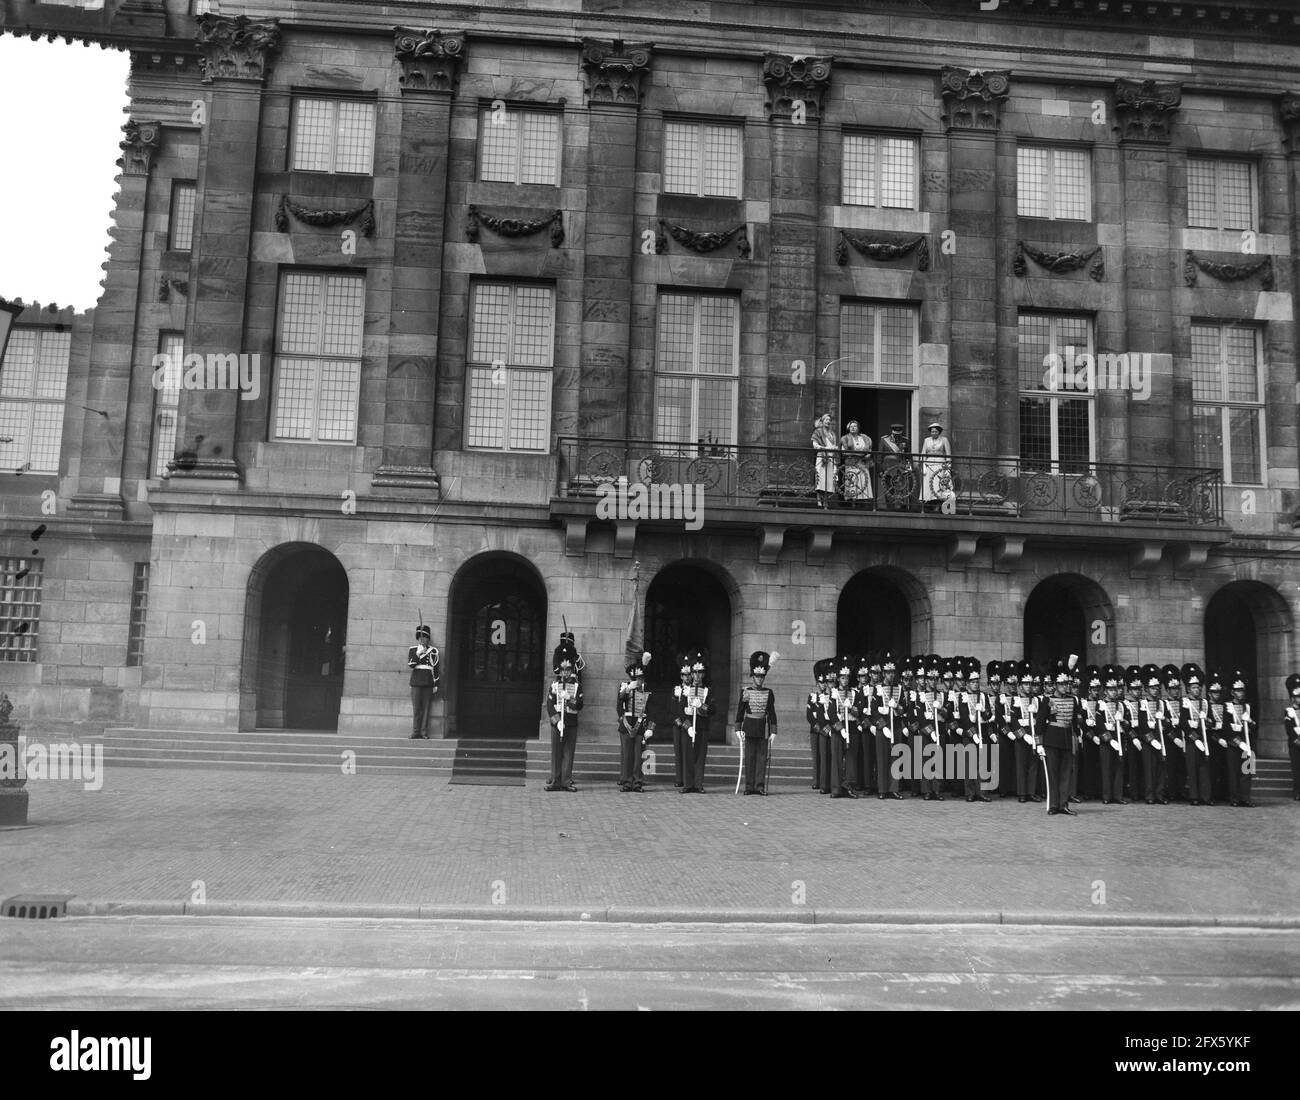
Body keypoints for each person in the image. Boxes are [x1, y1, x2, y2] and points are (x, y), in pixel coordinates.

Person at [544, 638, 584, 792]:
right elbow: (549, 705)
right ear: (560, 670)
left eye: (568, 669)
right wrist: (556, 721)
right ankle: (555, 781)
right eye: (563, 670)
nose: (566, 672)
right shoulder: (554, 685)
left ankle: (566, 781)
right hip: (558, 724)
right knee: (556, 753)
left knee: (568, 753)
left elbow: (580, 704)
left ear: (571, 670)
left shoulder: (577, 686)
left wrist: (570, 699)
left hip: (571, 723)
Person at [736, 651, 778, 795]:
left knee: (761, 758)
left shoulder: (769, 692)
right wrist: (737, 728)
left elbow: (772, 712)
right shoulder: (745, 691)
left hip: (762, 728)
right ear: (752, 677)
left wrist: (773, 731)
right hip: (749, 726)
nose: (760, 679)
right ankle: (749, 786)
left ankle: (759, 786)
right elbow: (740, 711)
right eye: (757, 676)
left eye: (762, 676)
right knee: (750, 757)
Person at [617, 653, 655, 792]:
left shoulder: (647, 691)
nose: (639, 681)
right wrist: (627, 690)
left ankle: (638, 782)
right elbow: (620, 703)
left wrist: (651, 727)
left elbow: (652, 710)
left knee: (639, 756)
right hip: (627, 724)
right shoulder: (624, 687)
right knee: (627, 756)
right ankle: (627, 782)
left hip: (641, 726)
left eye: (640, 678)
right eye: (636, 678)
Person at [1042, 662, 1077, 815]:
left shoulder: (1073, 700)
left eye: (1067, 684)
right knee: (1053, 774)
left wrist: (1077, 739)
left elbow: (1074, 722)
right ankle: (1053, 805)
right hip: (1052, 740)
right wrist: (1039, 743)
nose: (1065, 686)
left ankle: (1063, 804)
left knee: (1065, 774)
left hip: (1067, 740)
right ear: (1055, 685)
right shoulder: (1047, 700)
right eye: (1062, 684)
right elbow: (1039, 723)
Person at [679, 652, 715, 793]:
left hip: (702, 727)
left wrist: (702, 706)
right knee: (687, 756)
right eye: (695, 673)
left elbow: (713, 710)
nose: (697, 676)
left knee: (700, 756)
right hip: (688, 728)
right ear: (692, 674)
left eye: (700, 673)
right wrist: (687, 726)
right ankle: (688, 784)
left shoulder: (707, 691)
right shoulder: (685, 690)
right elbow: (679, 711)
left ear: (703, 675)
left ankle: (698, 784)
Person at [1178, 663, 1214, 806]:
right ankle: (1194, 796)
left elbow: (1211, 722)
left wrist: (1208, 720)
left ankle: (1206, 796)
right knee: (1192, 769)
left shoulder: (1205, 702)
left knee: (1204, 769)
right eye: (1193, 687)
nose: (1197, 689)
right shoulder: (1185, 703)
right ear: (1188, 689)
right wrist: (1194, 737)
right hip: (1192, 741)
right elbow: (1183, 723)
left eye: (1198, 687)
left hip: (1204, 739)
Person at [825, 657, 859, 798]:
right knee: (837, 759)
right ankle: (836, 788)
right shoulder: (833, 693)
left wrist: (851, 708)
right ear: (838, 679)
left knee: (851, 759)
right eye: (842, 678)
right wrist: (840, 729)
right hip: (838, 730)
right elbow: (831, 713)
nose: (845, 680)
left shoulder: (854, 693)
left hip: (851, 727)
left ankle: (849, 786)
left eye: (847, 678)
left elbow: (859, 711)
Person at [1222, 671, 1256, 808]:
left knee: (1247, 771)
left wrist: (1251, 722)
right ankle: (1234, 798)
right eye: (1238, 690)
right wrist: (1239, 742)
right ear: (1232, 692)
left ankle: (1245, 798)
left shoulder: (1247, 707)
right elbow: (1226, 728)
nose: (1241, 693)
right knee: (1234, 772)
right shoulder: (1227, 707)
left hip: (1247, 743)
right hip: (1234, 743)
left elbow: (1254, 726)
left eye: (1242, 690)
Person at [872, 653, 904, 800]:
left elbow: (905, 709)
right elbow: (873, 711)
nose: (891, 675)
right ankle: (882, 789)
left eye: (893, 672)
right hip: (882, 728)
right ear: (884, 673)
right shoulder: (877, 689)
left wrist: (897, 706)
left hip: (896, 726)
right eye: (888, 672)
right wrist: (883, 726)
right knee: (882, 759)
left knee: (895, 759)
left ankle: (894, 788)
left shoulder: (899, 688)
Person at [1097, 665, 1128, 804]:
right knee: (1106, 768)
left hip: (1119, 737)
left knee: (1118, 767)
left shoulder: (1121, 705)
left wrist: (1122, 721)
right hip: (1107, 740)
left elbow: (1128, 724)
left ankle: (1118, 795)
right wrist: (1109, 739)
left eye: (1115, 689)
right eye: (1110, 689)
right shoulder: (1101, 705)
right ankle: (1106, 796)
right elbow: (1099, 725)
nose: (1114, 692)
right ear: (1105, 691)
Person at [407, 625, 440, 739]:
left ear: (428, 638)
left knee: (426, 709)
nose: (422, 639)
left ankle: (423, 732)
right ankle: (415, 732)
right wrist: (418, 654)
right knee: (416, 709)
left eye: (424, 637)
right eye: (420, 637)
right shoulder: (413, 650)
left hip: (428, 682)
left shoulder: (434, 651)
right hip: (416, 682)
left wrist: (436, 684)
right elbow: (411, 665)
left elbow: (436, 668)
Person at [919, 422, 953, 512]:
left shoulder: (944, 440)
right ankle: (928, 503)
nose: (934, 433)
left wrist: (948, 466)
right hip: (929, 464)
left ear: (939, 432)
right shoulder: (926, 440)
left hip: (940, 464)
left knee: (938, 484)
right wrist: (923, 465)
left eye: (936, 431)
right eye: (932, 431)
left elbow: (948, 454)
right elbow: (923, 453)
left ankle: (938, 504)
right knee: (928, 484)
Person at [839, 420, 874, 507]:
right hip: (852, 463)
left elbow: (869, 449)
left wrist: (868, 455)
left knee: (863, 480)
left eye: (855, 426)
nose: (853, 428)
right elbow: (844, 452)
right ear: (848, 428)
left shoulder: (864, 438)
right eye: (851, 427)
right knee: (853, 481)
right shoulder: (845, 438)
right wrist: (856, 454)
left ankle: (864, 500)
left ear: (858, 428)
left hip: (862, 463)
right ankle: (853, 501)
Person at [878, 423, 910, 510]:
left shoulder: (905, 440)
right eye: (895, 433)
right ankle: (889, 506)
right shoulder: (884, 440)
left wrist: (908, 467)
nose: (897, 435)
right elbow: (879, 456)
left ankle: (899, 506)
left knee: (900, 487)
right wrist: (880, 470)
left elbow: (908, 456)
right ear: (892, 432)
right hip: (887, 467)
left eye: (899, 433)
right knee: (888, 487)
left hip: (900, 468)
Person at [671, 656, 692, 788]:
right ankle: (679, 778)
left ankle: (687, 778)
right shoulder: (676, 689)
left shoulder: (694, 689)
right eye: (684, 675)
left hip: (689, 724)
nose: (687, 677)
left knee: (687, 752)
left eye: (689, 675)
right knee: (678, 752)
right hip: (677, 724)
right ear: (681, 676)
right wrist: (679, 722)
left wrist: (686, 724)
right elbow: (672, 708)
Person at [811, 413, 839, 509]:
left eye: (829, 420)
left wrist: (835, 448)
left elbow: (833, 445)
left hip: (831, 458)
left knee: (829, 480)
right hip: (822, 457)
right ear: (822, 421)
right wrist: (825, 448)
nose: (828, 421)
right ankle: (819, 499)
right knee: (820, 479)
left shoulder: (832, 434)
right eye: (826, 419)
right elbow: (815, 445)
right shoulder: (818, 432)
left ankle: (826, 501)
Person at [1285, 673, 1300, 801]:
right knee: (1297, 769)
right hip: (1295, 744)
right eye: (1296, 696)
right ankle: (1297, 791)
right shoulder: (1289, 711)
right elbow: (1289, 730)